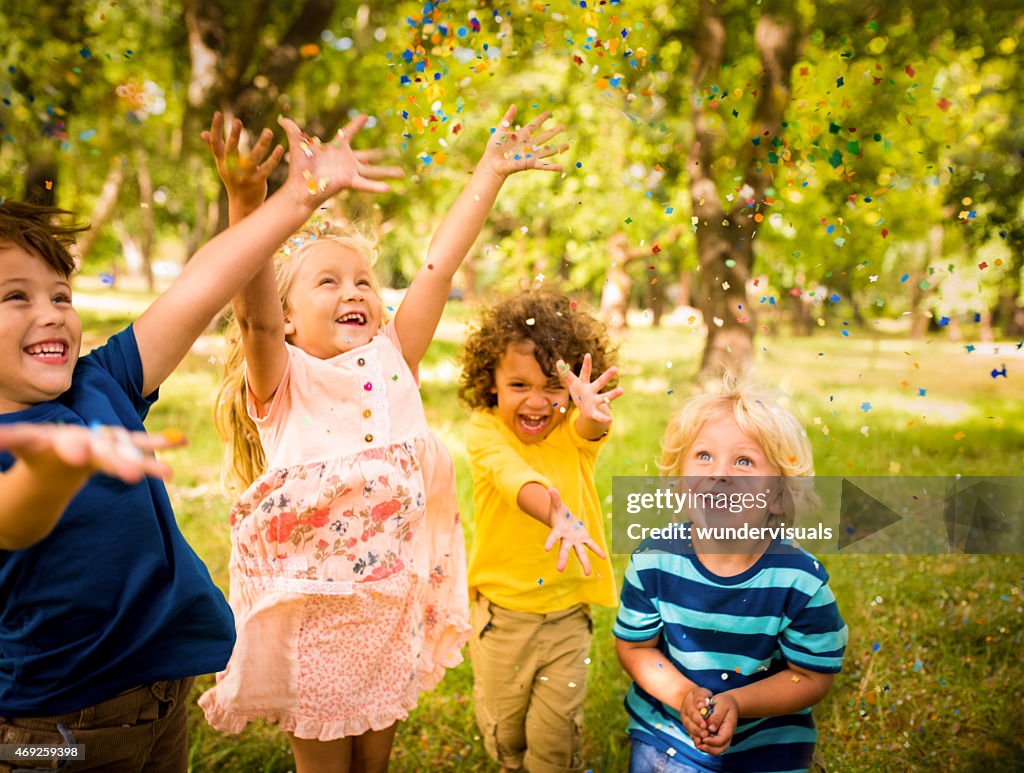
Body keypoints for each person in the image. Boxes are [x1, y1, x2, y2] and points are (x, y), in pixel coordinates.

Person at [196, 106, 567, 773]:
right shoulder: (283, 381)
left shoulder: (392, 356)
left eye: (363, 279)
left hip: (390, 614)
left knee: (374, 761)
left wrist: (489, 171)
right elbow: (249, 315)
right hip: (311, 626)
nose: (354, 290)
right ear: (287, 318)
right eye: (329, 281)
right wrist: (247, 203)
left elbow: (436, 268)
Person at [0, 116, 366, 773]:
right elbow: (13, 516)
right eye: (15, 297)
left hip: (160, 698)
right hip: (46, 734)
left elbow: (201, 287)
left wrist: (297, 195)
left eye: (60, 293)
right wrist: (54, 467)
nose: (51, 311)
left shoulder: (101, 381)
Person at [614, 380, 848, 772]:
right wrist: (684, 694)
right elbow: (636, 648)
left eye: (744, 462)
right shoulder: (653, 562)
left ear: (777, 496)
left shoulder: (799, 582)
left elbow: (811, 676)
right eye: (703, 456)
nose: (719, 473)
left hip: (768, 744)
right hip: (667, 732)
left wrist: (739, 703)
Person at [458, 287, 624, 773]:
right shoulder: (486, 431)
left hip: (566, 620)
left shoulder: (575, 432)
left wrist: (590, 414)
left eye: (552, 388)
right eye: (518, 386)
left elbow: (590, 431)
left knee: (553, 745)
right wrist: (555, 514)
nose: (536, 402)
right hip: (501, 620)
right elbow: (514, 477)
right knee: (506, 737)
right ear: (491, 381)